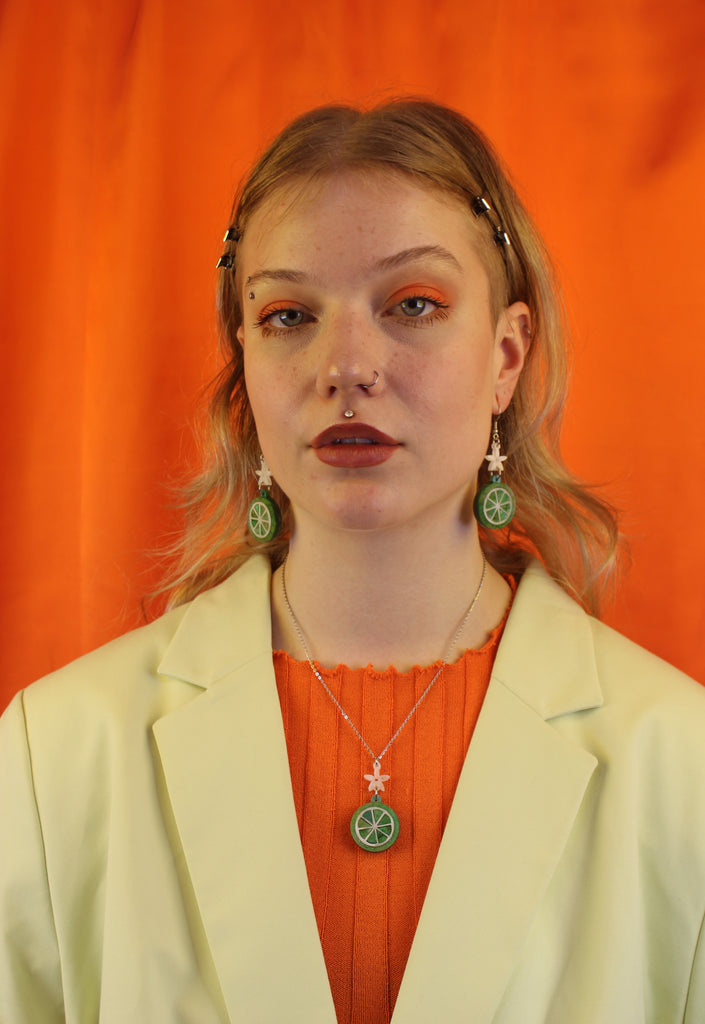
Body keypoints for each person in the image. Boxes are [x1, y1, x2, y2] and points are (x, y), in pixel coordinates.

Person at [1, 99, 704, 1024]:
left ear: (504, 356)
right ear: (244, 365)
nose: (347, 366)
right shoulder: (55, 756)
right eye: (289, 314)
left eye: (413, 304)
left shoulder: (680, 763)